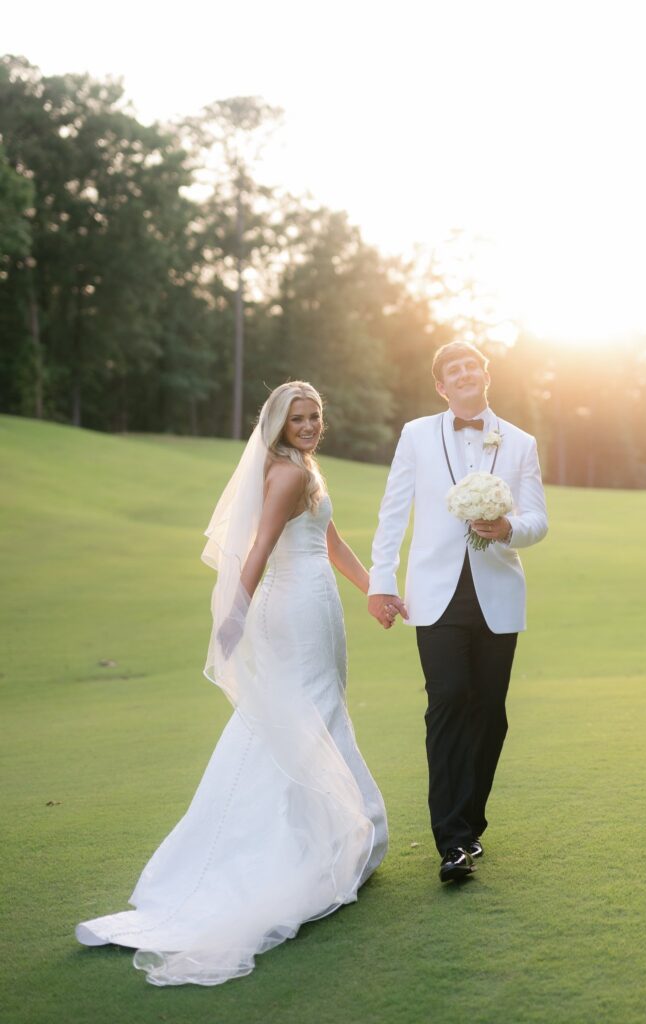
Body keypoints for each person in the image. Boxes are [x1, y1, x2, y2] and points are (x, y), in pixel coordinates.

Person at [76, 382, 388, 985]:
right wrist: (234, 617)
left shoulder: (300, 466)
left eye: (315, 416)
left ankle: (320, 829)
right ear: (276, 423)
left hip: (315, 602)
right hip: (292, 608)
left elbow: (330, 539)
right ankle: (306, 844)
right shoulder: (288, 475)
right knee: (301, 712)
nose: (309, 426)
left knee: (311, 711)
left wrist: (373, 586)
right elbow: (259, 547)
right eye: (297, 418)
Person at [368, 342, 547, 883]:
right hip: (435, 594)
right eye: (453, 370)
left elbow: (538, 518)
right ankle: (451, 840)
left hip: (498, 593)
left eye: (472, 365)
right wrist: (382, 581)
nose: (464, 373)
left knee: (490, 712)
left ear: (485, 376)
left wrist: (509, 528)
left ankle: (470, 826)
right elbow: (394, 510)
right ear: (442, 387)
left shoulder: (520, 442)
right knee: (447, 701)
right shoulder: (416, 434)